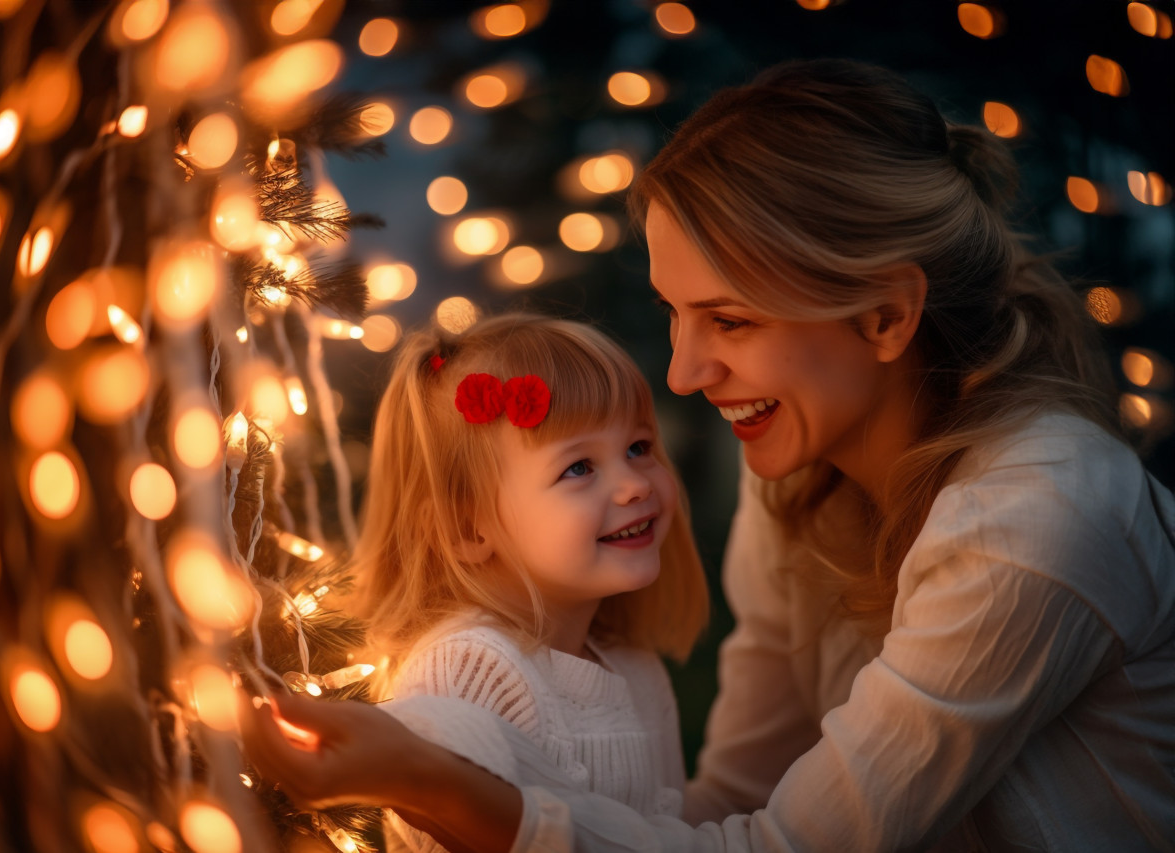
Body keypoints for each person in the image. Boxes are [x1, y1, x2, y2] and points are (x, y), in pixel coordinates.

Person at [242, 58, 1175, 851]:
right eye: (674, 313)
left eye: (729, 319)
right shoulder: (798, 478)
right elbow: (736, 798)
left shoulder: (1038, 519)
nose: (684, 374)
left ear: (886, 315)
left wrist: (440, 786)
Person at [340, 313, 709, 851]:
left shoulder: (633, 665)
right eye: (578, 467)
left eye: (638, 447)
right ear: (467, 530)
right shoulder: (470, 669)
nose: (634, 485)